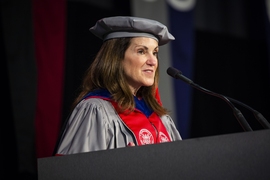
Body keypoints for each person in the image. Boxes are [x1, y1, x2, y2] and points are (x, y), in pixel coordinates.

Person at [53, 16, 182, 156]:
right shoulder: (96, 111)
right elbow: (74, 171)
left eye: (155, 53)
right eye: (141, 51)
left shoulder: (162, 119)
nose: (153, 61)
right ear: (116, 57)